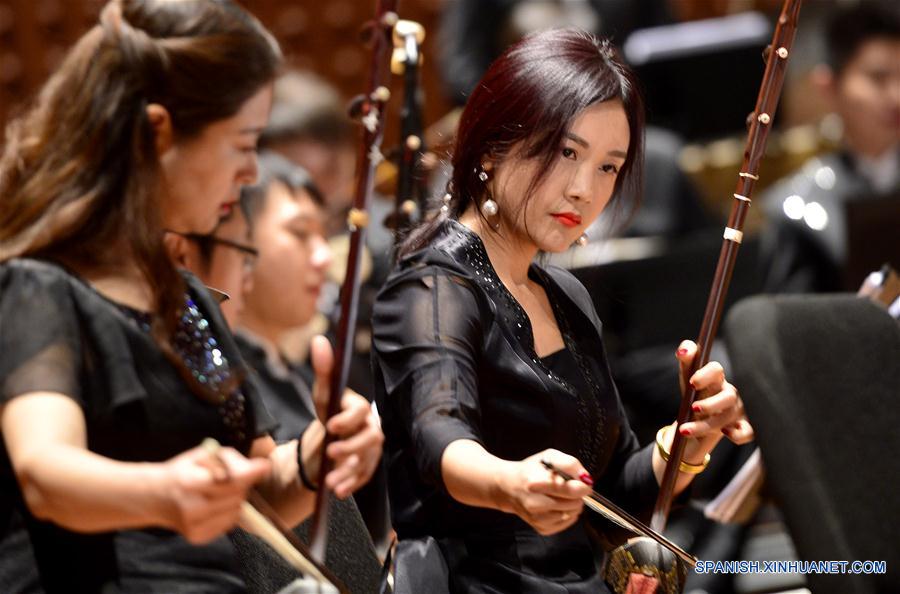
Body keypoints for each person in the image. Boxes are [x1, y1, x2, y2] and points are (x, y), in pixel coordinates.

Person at [0, 1, 370, 592]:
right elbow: (45, 473)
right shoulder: (38, 285)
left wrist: (318, 454)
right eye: (243, 144)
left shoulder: (187, 299)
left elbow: (260, 496)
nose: (251, 173)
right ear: (159, 132)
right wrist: (165, 492)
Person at [371, 29, 753, 593]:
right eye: (566, 152)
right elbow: (440, 438)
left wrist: (686, 444)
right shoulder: (430, 288)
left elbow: (614, 498)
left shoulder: (565, 297)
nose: (583, 189)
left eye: (608, 168)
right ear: (493, 146)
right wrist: (510, 484)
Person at [167, 153, 384, 593]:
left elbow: (270, 489)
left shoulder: (287, 370)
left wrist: (315, 455)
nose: (322, 256)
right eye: (300, 233)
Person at [759, 1, 900, 293]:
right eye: (878, 78)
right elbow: (792, 317)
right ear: (829, 86)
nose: (896, 96)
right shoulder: (797, 210)